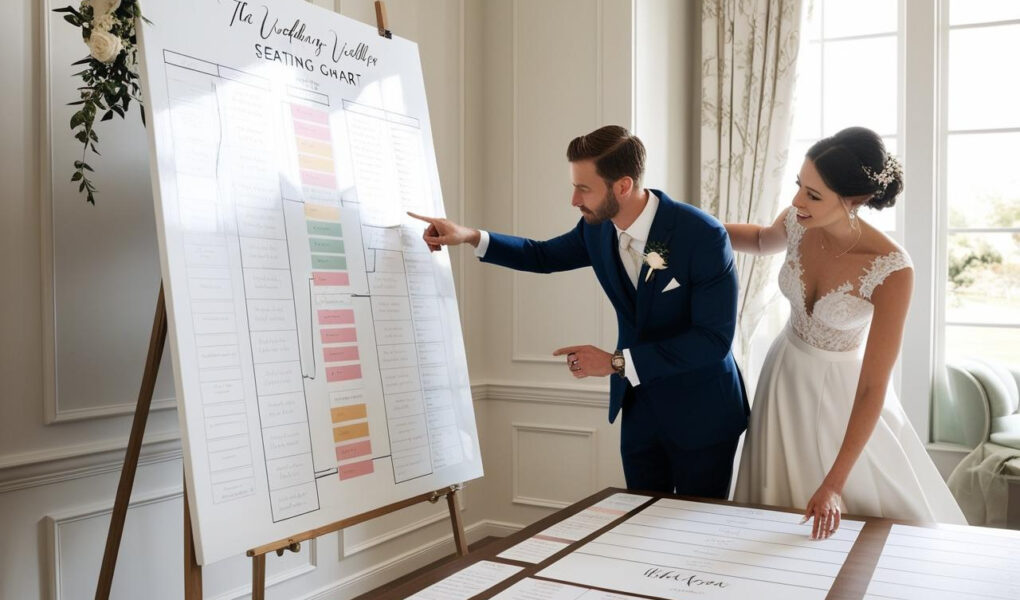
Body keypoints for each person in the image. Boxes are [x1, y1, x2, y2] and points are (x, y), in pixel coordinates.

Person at [409, 125, 749, 498]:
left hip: (702, 414)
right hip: (639, 412)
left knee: (697, 536)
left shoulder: (703, 236)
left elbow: (713, 341)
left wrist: (616, 363)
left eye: (584, 188)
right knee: (638, 525)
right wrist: (471, 235)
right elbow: (541, 255)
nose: (574, 199)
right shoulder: (596, 230)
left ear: (622, 185)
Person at [729, 126, 966, 538]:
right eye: (799, 185)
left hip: (843, 397)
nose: (797, 201)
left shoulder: (892, 268)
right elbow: (763, 239)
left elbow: (874, 385)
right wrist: (689, 225)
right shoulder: (799, 222)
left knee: (871, 523)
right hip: (784, 376)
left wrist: (835, 484)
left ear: (856, 199)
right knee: (771, 514)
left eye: (813, 194)